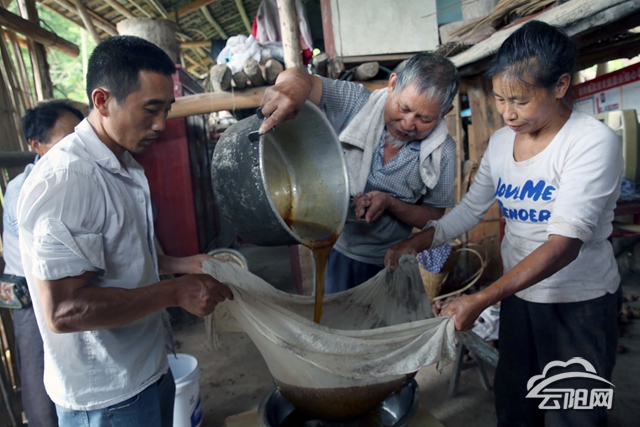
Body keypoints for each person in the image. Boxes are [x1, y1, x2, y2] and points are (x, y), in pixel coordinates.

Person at [385, 21, 622, 427]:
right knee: (515, 408)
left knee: (574, 416)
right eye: (499, 98)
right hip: (520, 299)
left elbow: (563, 245)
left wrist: (480, 299)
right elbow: (469, 211)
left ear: (560, 85)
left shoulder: (590, 142)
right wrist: (418, 242)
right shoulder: (500, 143)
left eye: (520, 101)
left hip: (579, 304)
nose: (508, 112)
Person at [17, 36, 233, 427]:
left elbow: (119, 256)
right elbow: (64, 311)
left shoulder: (122, 163)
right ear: (102, 101)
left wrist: (184, 264)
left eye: (166, 110)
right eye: (150, 109)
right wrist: (174, 292)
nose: (160, 124)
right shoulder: (70, 178)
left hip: (146, 368)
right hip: (108, 396)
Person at [259, 52, 460, 293]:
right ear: (392, 84)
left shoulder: (442, 152)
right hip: (334, 248)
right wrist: (292, 85)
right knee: (330, 314)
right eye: (404, 108)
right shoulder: (356, 103)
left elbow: (434, 217)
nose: (408, 124)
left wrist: (391, 203)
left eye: (425, 119)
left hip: (389, 260)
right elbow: (304, 80)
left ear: (445, 112)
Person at [3, 100, 84, 427]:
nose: (78, 146)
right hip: (31, 292)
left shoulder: (70, 174)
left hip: (57, 284)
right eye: (67, 139)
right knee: (39, 373)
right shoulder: (26, 188)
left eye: (82, 136)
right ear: (36, 145)